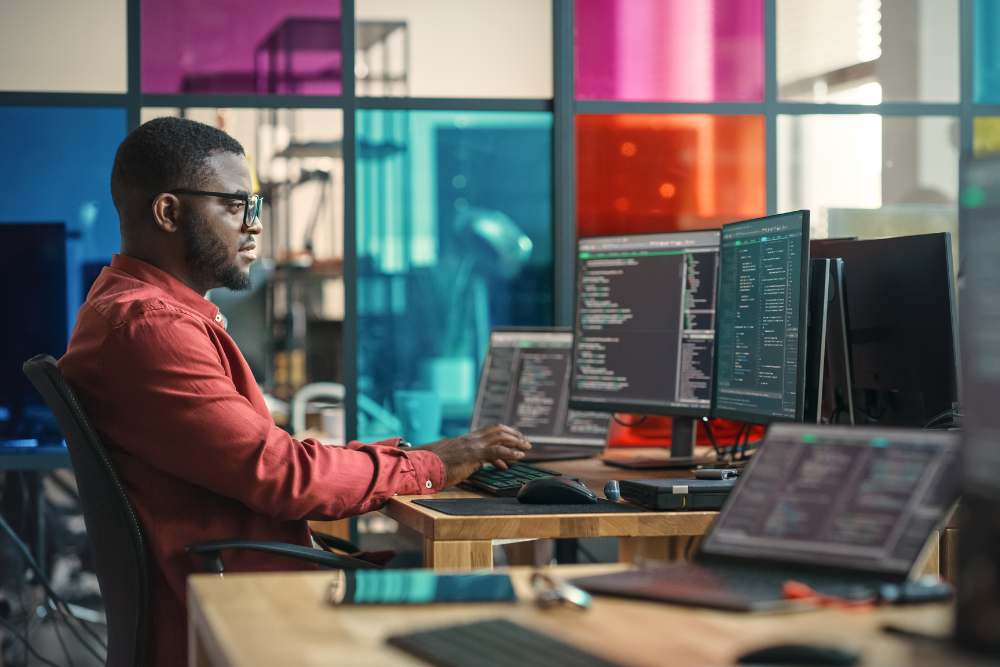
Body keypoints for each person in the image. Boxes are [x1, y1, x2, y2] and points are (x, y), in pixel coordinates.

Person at [58, 117, 531, 666]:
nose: (254, 227)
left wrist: (410, 458)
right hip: (241, 610)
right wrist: (428, 465)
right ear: (168, 211)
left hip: (232, 587)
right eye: (236, 206)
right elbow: (283, 476)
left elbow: (274, 462)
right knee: (496, 606)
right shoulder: (151, 328)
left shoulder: (129, 311)